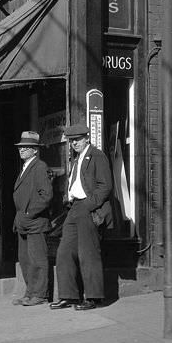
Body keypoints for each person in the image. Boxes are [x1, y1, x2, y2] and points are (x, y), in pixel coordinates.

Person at [50, 123, 114, 311]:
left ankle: (94, 297)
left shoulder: (97, 155)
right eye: (71, 140)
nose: (74, 143)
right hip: (74, 208)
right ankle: (69, 296)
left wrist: (88, 205)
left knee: (88, 253)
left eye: (77, 139)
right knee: (64, 252)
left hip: (87, 206)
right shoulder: (77, 158)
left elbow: (105, 186)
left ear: (87, 137)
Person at [11, 131, 53, 306]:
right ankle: (30, 292)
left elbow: (46, 195)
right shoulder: (25, 167)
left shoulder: (40, 167)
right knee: (25, 259)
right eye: (21, 147)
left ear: (35, 150)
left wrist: (29, 213)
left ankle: (40, 294)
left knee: (38, 260)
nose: (22, 150)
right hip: (23, 222)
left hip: (35, 222)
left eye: (27, 147)